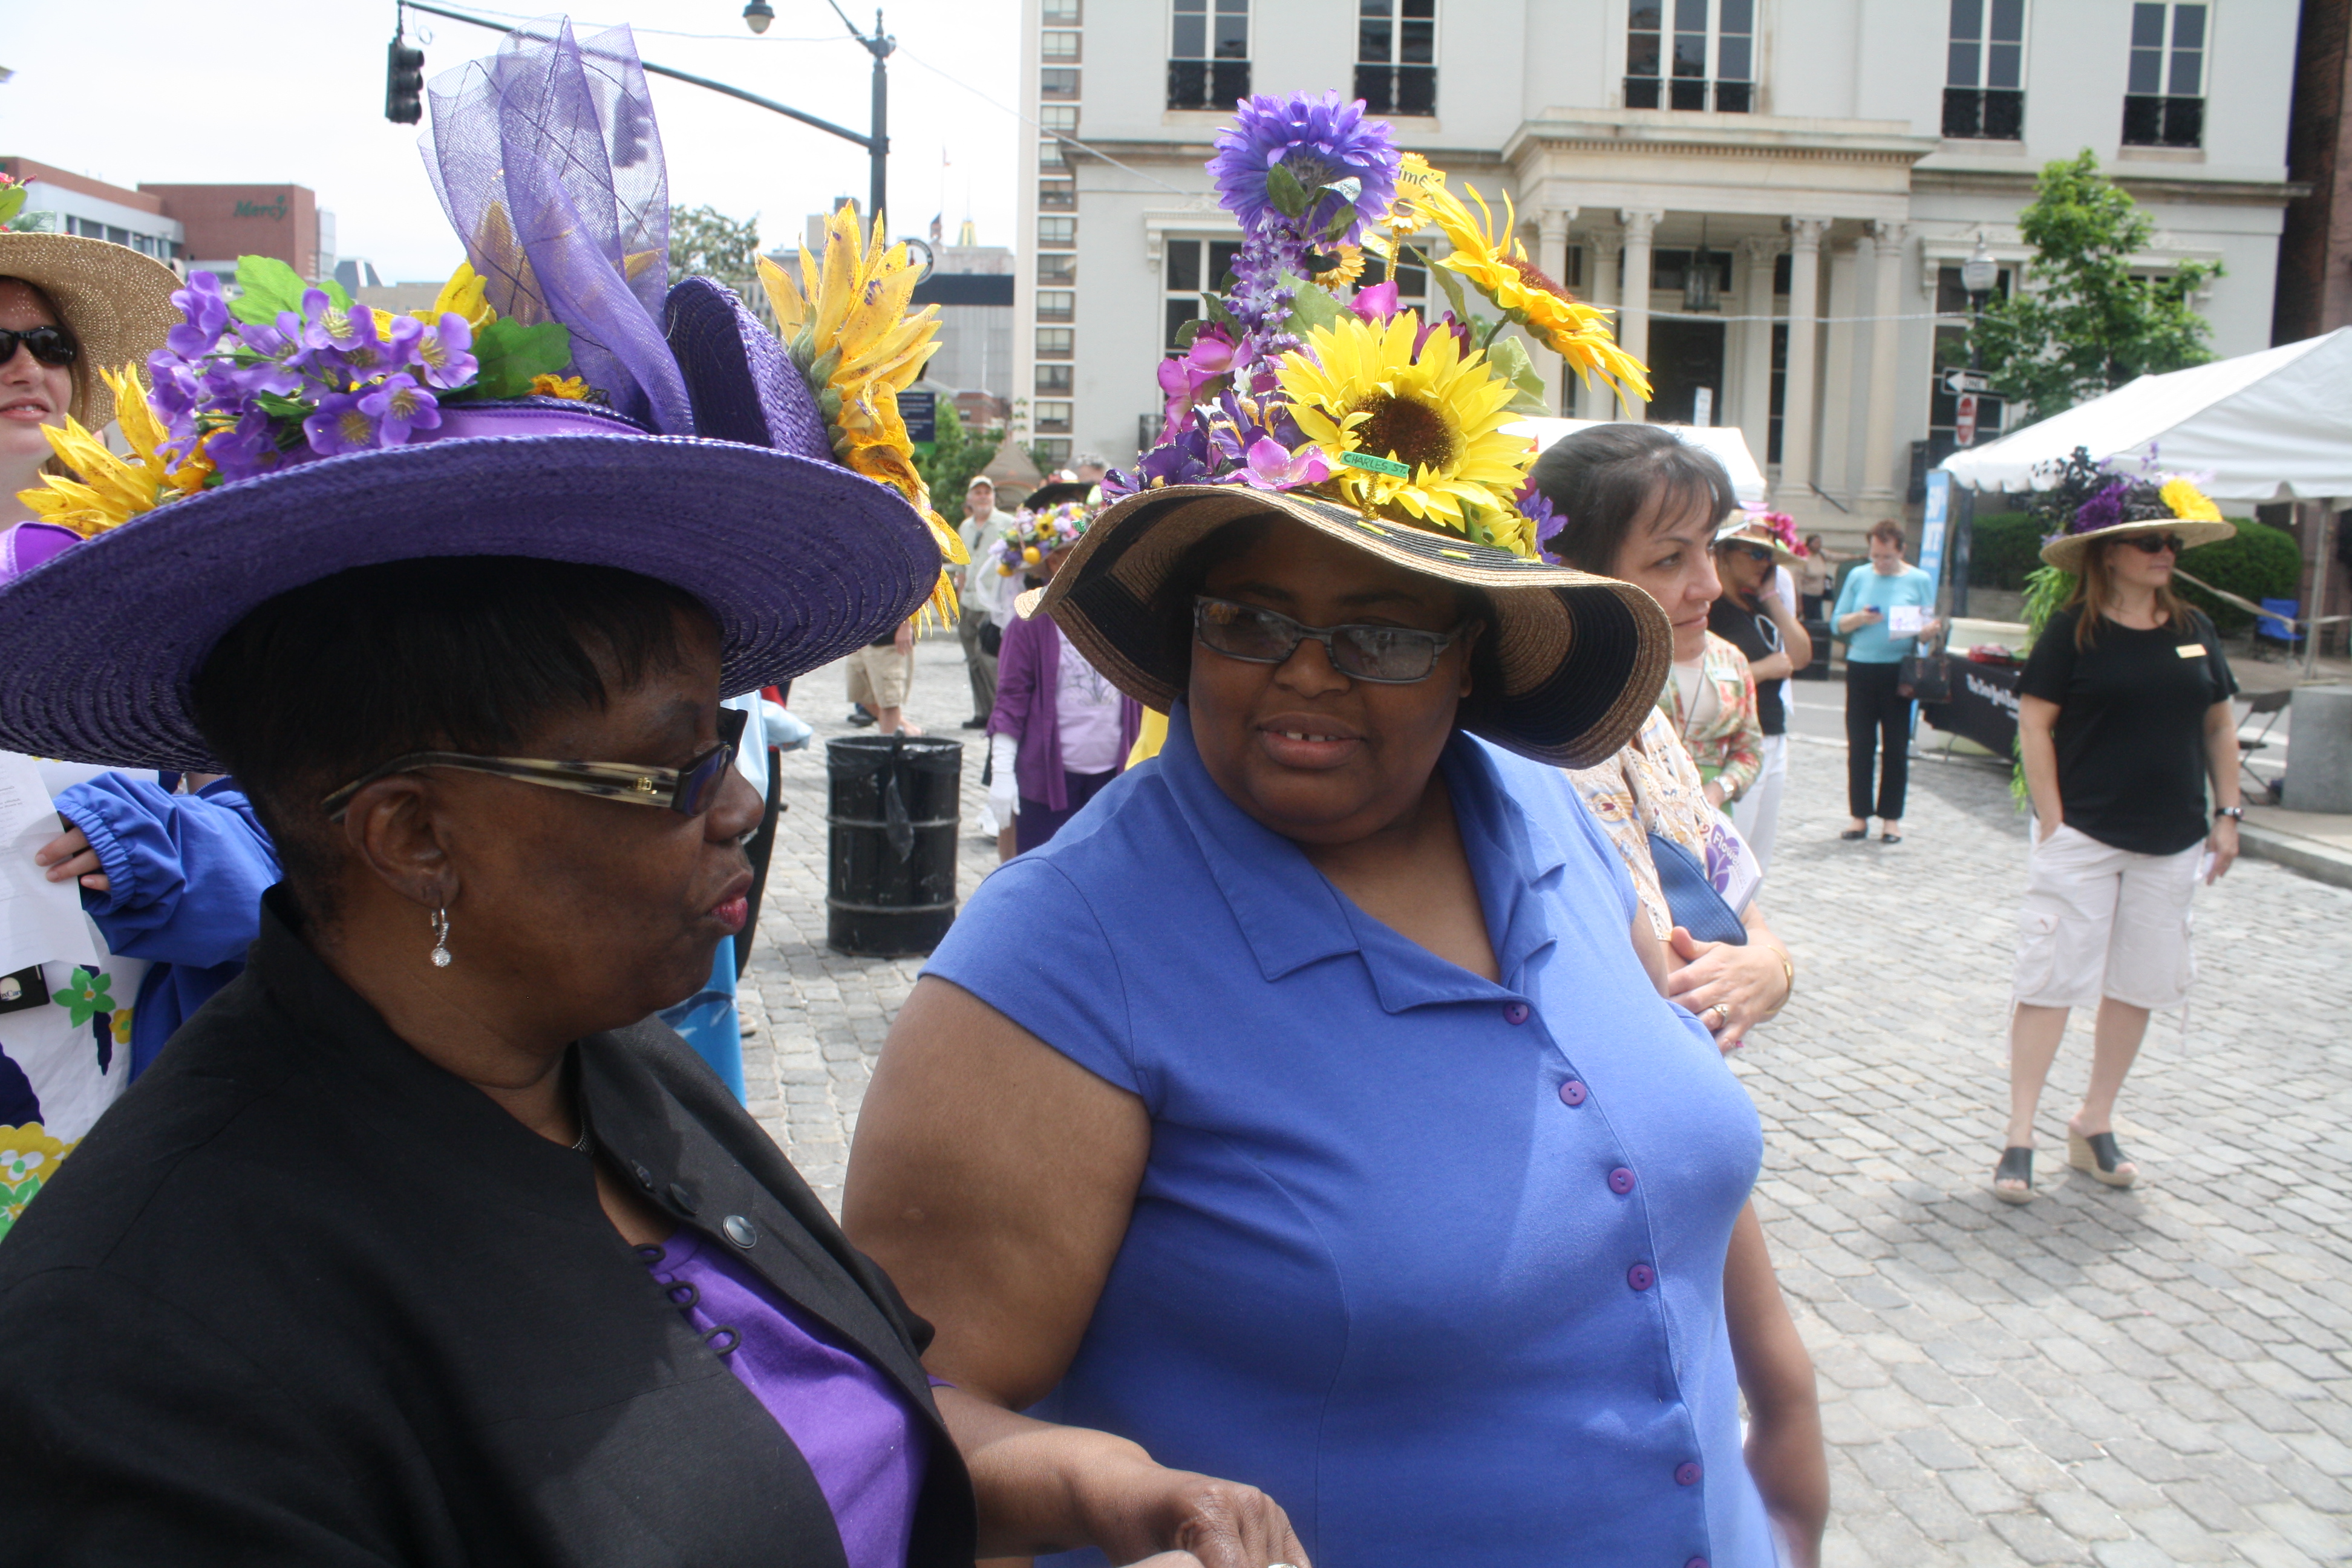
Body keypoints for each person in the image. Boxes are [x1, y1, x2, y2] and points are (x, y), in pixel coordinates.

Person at [0, 24, 1281, 1564]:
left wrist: (1077, 1482)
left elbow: (818, 1424)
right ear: (414, 836)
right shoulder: (154, 1334)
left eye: (732, 741)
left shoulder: (611, 1067)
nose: (737, 804)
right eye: (672, 763)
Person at [845, 113, 1826, 1560]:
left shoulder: (1552, 814)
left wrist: (1785, 1420)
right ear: (1184, 636)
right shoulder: (1061, 953)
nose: (1307, 674)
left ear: (1471, 657)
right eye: (1251, 622)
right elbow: (910, 1412)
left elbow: (1663, 1153)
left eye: (1378, 631)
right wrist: (1123, 1495)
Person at [1993, 469, 2241, 1203]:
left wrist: (2228, 814)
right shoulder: (2077, 631)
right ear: (2110, 553)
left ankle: (2094, 1120)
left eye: (2171, 540)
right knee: (2051, 980)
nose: (2165, 551)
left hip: (2173, 838)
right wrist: (2053, 818)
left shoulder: (2195, 630)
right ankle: (2020, 1132)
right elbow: (2035, 721)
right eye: (2149, 541)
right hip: (2088, 834)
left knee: (2140, 984)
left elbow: (2219, 723)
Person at [1530, 423, 1801, 1049]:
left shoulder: (1646, 725)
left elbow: (1742, 911)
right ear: (1570, 572)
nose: (1709, 584)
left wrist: (1771, 967)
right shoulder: (1527, 754)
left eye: (1709, 548)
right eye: (1670, 558)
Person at [985, 501, 1142, 859]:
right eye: (1077, 554)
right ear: (1054, 564)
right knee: (1044, 875)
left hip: (1112, 779)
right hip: (1048, 785)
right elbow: (1010, 700)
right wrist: (1002, 772)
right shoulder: (1028, 627)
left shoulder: (1120, 617)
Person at [1712, 515, 1815, 871]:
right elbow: (1705, 680)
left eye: (1768, 556)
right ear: (1724, 554)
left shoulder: (1755, 606)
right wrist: (1763, 670)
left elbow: (1801, 655)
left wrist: (1772, 599)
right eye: (1755, 554)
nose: (1765, 563)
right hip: (1736, 746)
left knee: (1758, 858)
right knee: (1732, 858)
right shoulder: (1710, 613)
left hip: (1772, 735)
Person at [1831, 518, 1940, 844]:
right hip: (1861, 667)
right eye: (1875, 556)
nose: (1880, 563)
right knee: (1861, 744)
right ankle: (1859, 816)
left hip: (1899, 670)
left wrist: (1927, 631)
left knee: (1895, 745)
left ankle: (1891, 819)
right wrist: (1861, 618)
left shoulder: (1918, 579)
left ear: (1901, 551)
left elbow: (1927, 623)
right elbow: (1838, 623)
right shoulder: (1858, 576)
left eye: (1887, 557)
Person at [956, 474, 1011, 728]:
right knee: (974, 662)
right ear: (970, 498)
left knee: (989, 659)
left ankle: (999, 714)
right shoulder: (965, 527)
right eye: (977, 493)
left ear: (993, 496)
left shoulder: (1006, 523)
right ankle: (982, 712)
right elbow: (961, 568)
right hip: (969, 603)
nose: (982, 497)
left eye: (986, 493)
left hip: (993, 604)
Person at [846, 615, 922, 736]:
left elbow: (913, 596)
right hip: (861, 636)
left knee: (889, 703)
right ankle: (908, 730)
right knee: (862, 696)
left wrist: (906, 627)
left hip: (889, 639)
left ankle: (887, 746)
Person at [1797, 532, 1840, 619]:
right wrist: (1798, 604)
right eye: (1816, 543)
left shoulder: (1822, 554)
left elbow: (1835, 557)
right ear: (1809, 544)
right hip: (1807, 596)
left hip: (1819, 596)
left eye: (1820, 543)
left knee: (1819, 620)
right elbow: (1797, 582)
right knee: (1808, 622)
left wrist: (1857, 557)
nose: (1819, 545)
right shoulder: (1804, 558)